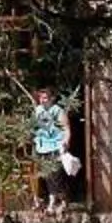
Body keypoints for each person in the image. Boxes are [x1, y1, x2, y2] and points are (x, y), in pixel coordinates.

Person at [29, 86, 79, 214]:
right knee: (47, 176)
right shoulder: (38, 111)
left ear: (52, 99)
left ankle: (55, 202)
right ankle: (60, 201)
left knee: (56, 176)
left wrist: (66, 143)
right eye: (41, 98)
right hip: (42, 147)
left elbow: (66, 128)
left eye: (45, 98)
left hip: (55, 147)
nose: (42, 100)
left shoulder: (58, 111)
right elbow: (33, 127)